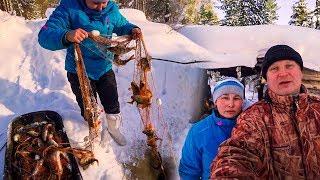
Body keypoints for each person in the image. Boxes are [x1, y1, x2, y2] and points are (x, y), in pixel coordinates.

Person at [38, 0, 142, 146]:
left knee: (112, 104)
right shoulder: (69, 7)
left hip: (104, 69)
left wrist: (132, 29)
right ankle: (95, 130)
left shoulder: (111, 8)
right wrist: (67, 35)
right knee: (88, 108)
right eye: (95, 3)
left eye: (103, 3)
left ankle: (114, 130)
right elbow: (44, 36)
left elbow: (121, 24)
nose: (100, 8)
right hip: (79, 72)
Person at [211, 44, 320, 179]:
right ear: (266, 78)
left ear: (300, 71)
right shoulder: (254, 117)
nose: (283, 73)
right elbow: (238, 152)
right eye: (274, 68)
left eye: (289, 65)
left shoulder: (317, 109)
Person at [179, 77, 245, 179]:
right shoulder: (199, 131)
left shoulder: (251, 128)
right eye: (225, 97)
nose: (231, 104)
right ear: (215, 101)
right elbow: (189, 171)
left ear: (242, 102)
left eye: (236, 98)